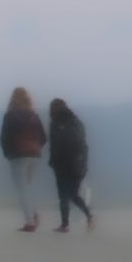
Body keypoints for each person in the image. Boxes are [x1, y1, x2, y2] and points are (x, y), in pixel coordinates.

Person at [0, 87, 46, 232]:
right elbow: (44, 137)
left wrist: (7, 153)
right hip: (34, 155)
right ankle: (33, 214)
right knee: (27, 187)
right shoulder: (34, 115)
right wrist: (36, 148)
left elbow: (4, 137)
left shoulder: (10, 116)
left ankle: (30, 222)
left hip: (17, 156)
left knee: (22, 189)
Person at [48, 98, 95, 233]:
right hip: (78, 164)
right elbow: (83, 145)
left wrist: (52, 161)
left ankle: (65, 225)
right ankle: (89, 215)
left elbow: (55, 146)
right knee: (73, 194)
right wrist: (83, 164)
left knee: (63, 196)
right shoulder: (77, 122)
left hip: (62, 164)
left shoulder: (55, 123)